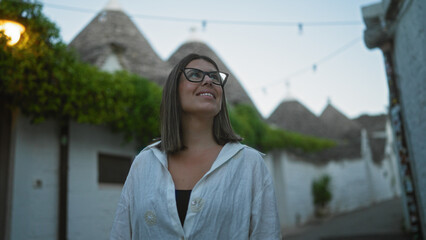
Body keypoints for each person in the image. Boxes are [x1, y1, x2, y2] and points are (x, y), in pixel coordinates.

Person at [110, 53, 281, 239]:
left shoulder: (249, 163)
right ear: (174, 90)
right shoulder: (144, 163)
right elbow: (121, 233)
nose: (208, 80)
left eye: (215, 77)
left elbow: (267, 233)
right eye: (195, 75)